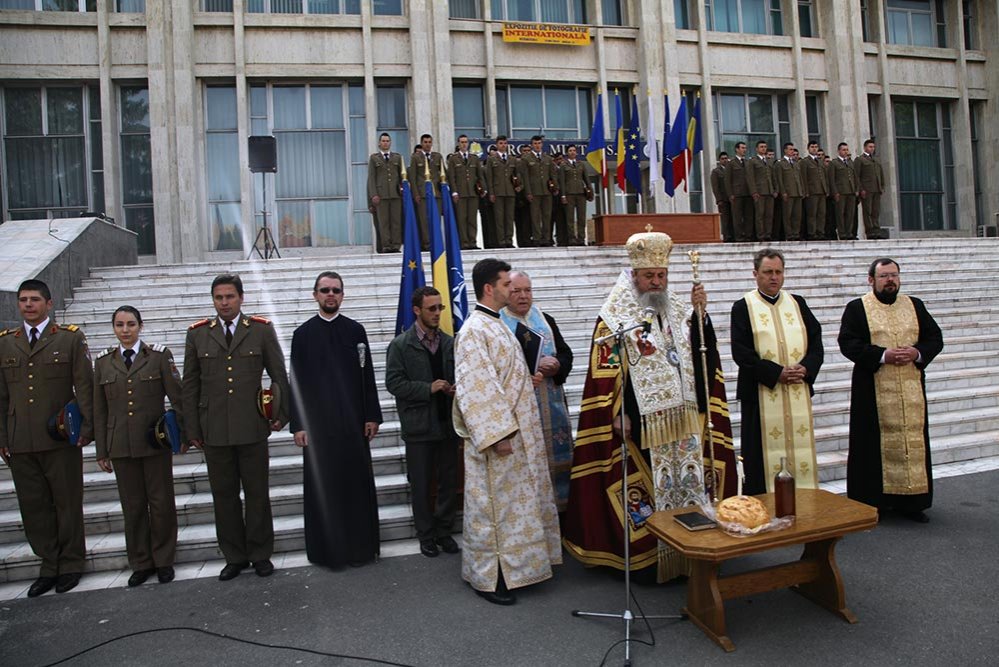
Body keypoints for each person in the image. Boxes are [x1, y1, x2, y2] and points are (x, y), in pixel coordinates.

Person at [563, 232, 736, 582]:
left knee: (687, 484)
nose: (656, 282)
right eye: (649, 276)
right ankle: (652, 559)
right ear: (635, 275)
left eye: (661, 275)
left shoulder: (679, 308)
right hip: (641, 423)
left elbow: (703, 354)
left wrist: (701, 316)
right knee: (650, 489)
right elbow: (605, 372)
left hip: (684, 417)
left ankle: (692, 553)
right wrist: (617, 412)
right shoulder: (614, 314)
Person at [453, 258, 561, 605]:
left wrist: (523, 377)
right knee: (495, 509)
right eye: (504, 284)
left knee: (516, 507)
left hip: (519, 433)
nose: (510, 289)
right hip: (500, 438)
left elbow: (502, 375)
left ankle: (520, 567)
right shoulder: (474, 330)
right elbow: (476, 387)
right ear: (489, 288)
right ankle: (491, 577)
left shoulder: (497, 324)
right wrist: (498, 435)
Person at [182, 274, 289, 580]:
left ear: (241, 298)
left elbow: (279, 375)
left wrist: (280, 414)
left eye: (229, 296)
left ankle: (259, 553)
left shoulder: (260, 330)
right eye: (219, 297)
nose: (224, 303)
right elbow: (190, 385)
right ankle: (234, 556)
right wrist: (193, 429)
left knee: (257, 494)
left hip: (253, 427)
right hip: (214, 429)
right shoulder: (198, 334)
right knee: (224, 496)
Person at [0, 279, 93, 597]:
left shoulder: (69, 339)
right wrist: (3, 437)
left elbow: (85, 387)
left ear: (49, 304)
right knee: (33, 507)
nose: (28, 305)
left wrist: (86, 429)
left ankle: (70, 564)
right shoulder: (5, 343)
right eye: (23, 300)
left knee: (67, 503)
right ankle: (48, 564)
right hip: (21, 442)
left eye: (35, 300)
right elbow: (1, 396)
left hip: (60, 438)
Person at [838, 258, 943, 522]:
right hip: (872, 389)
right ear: (871, 280)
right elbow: (848, 343)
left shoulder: (914, 305)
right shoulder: (857, 308)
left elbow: (935, 338)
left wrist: (917, 352)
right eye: (884, 276)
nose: (890, 281)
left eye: (894, 275)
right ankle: (875, 503)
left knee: (912, 441)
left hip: (910, 388)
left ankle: (912, 502)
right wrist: (883, 355)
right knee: (872, 445)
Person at [290, 271, 383, 567]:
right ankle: (326, 553)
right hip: (318, 430)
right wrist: (298, 425)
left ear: (343, 295)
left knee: (355, 487)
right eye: (325, 290)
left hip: (353, 425)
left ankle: (361, 550)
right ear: (315, 294)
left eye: (336, 290)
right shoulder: (302, 335)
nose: (331, 295)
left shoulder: (356, 331)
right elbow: (297, 384)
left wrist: (372, 416)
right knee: (324, 490)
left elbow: (366, 375)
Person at [93, 305, 183, 587]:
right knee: (132, 506)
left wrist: (183, 435)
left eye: (131, 324)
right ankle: (141, 562)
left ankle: (164, 559)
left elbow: (177, 398)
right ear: (114, 328)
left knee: (161, 503)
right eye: (119, 325)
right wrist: (101, 450)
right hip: (120, 444)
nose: (125, 330)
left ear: (140, 326)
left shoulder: (158, 356)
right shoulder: (103, 362)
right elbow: (99, 409)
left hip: (154, 442)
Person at [730, 249, 823, 494]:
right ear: (755, 274)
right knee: (761, 459)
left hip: (797, 391)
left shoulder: (797, 303)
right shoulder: (743, 307)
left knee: (799, 452)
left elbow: (816, 341)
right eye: (768, 272)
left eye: (778, 272)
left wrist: (806, 368)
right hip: (761, 394)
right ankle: (764, 507)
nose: (774, 277)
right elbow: (741, 352)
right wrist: (776, 373)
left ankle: (805, 506)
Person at [385, 286, 460, 558]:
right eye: (432, 308)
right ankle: (426, 535)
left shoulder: (451, 342)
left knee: (448, 482)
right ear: (417, 310)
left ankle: (444, 531)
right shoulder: (400, 345)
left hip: (448, 425)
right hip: (419, 428)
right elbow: (394, 383)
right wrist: (428, 388)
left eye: (440, 307)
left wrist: (453, 388)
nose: (437, 313)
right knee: (421, 484)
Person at [500, 271, 574, 511]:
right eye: (516, 291)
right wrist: (532, 366)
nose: (523, 296)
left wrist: (557, 365)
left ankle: (561, 514)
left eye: (527, 290)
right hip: (520, 410)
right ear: (505, 293)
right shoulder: (498, 324)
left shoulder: (545, 319)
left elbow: (565, 352)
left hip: (552, 405)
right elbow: (497, 366)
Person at [367, 132, 405, 253]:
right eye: (383, 141)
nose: (385, 143)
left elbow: (401, 175)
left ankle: (396, 245)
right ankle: (386, 245)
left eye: (387, 141)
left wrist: (402, 189)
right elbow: (371, 178)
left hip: (395, 195)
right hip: (381, 195)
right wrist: (373, 195)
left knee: (396, 222)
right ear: (379, 143)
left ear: (390, 143)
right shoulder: (374, 158)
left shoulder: (397, 157)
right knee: (383, 222)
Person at [446, 134, 486, 250]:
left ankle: (472, 241)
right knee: (462, 218)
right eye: (462, 142)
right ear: (458, 144)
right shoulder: (454, 159)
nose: (464, 144)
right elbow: (451, 177)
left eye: (466, 142)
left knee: (472, 218)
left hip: (473, 192)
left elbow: (479, 176)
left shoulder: (474, 158)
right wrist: (454, 192)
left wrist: (483, 189)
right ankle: (464, 242)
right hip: (461, 193)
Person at [409, 134, 444, 251]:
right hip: (422, 194)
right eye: (425, 142)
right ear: (421, 143)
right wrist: (415, 194)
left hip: (436, 194)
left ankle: (436, 243)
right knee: (424, 221)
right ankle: (427, 244)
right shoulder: (416, 157)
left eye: (429, 142)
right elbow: (412, 177)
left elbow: (444, 174)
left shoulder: (437, 157)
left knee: (436, 219)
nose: (428, 144)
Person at [520, 135, 556, 247]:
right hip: (534, 192)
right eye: (535, 143)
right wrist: (528, 192)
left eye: (539, 143)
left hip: (547, 191)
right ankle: (537, 238)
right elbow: (525, 177)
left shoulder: (548, 159)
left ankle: (546, 238)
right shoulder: (526, 159)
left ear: (542, 144)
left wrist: (555, 188)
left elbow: (553, 175)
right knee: (535, 216)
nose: (537, 145)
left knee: (547, 215)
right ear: (532, 145)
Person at [484, 135, 519, 249]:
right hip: (498, 192)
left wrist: (519, 186)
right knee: (499, 218)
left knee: (509, 217)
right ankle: (501, 241)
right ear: (497, 145)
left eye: (505, 143)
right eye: (501, 143)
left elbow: (517, 175)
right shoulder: (491, 159)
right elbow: (489, 177)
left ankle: (509, 239)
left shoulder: (512, 159)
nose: (503, 145)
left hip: (510, 191)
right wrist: (491, 193)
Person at [854, 139, 885, 239]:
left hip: (876, 189)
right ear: (865, 147)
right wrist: (861, 189)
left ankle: (876, 229)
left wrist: (882, 186)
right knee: (868, 211)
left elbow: (881, 174)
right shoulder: (860, 159)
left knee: (876, 211)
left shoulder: (876, 160)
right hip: (867, 190)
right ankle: (870, 231)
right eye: (870, 147)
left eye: (873, 147)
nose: (872, 149)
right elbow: (857, 176)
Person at [558, 146, 590, 246]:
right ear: (567, 153)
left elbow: (586, 179)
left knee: (581, 217)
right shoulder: (563, 165)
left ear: (576, 152)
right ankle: (571, 238)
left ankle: (581, 239)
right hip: (569, 194)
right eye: (570, 151)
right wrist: (563, 195)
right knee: (570, 218)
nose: (572, 152)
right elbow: (562, 181)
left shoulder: (581, 164)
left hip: (581, 194)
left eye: (574, 151)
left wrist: (590, 191)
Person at [745, 140, 776, 241]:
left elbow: (773, 177)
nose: (764, 148)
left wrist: (775, 189)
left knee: (769, 215)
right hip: (759, 192)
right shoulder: (753, 161)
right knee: (760, 215)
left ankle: (768, 234)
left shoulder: (769, 161)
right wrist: (754, 191)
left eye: (765, 147)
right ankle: (761, 235)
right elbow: (750, 177)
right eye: (761, 147)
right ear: (757, 149)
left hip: (769, 191)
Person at [775, 142, 805, 241]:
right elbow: (779, 179)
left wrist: (802, 190)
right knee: (788, 215)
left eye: (793, 149)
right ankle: (789, 234)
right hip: (788, 193)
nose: (792, 151)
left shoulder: (796, 163)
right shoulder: (781, 163)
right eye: (790, 149)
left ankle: (796, 233)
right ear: (785, 150)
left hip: (797, 192)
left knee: (797, 215)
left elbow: (800, 178)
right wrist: (783, 192)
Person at [829, 143, 859, 240]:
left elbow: (855, 177)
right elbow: (832, 179)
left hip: (851, 191)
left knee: (850, 213)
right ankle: (842, 233)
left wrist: (856, 189)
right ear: (839, 151)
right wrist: (835, 192)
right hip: (841, 192)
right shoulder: (834, 163)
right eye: (843, 150)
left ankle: (849, 232)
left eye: (847, 150)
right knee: (840, 214)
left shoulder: (850, 162)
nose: (845, 152)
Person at [725, 141, 753, 242]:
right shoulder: (731, 163)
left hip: (748, 193)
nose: (744, 150)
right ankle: (739, 236)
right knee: (737, 216)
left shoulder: (747, 162)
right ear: (737, 149)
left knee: (748, 216)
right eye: (742, 148)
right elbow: (727, 180)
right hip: (736, 194)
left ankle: (748, 236)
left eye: (745, 148)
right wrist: (730, 194)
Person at [801, 140, 828, 241]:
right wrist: (805, 191)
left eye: (816, 147)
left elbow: (824, 176)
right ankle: (812, 233)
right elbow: (803, 177)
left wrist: (826, 189)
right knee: (812, 214)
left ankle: (820, 231)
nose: (814, 149)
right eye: (812, 147)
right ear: (808, 149)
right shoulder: (805, 162)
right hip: (812, 191)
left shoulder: (820, 161)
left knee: (821, 213)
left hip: (821, 190)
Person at [710, 152, 732, 242]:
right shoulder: (716, 172)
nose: (725, 160)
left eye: (726, 158)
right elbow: (715, 187)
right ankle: (727, 236)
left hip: (733, 198)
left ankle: (733, 235)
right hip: (723, 199)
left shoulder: (731, 170)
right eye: (723, 159)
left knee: (733, 218)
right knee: (725, 219)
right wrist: (719, 199)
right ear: (719, 160)